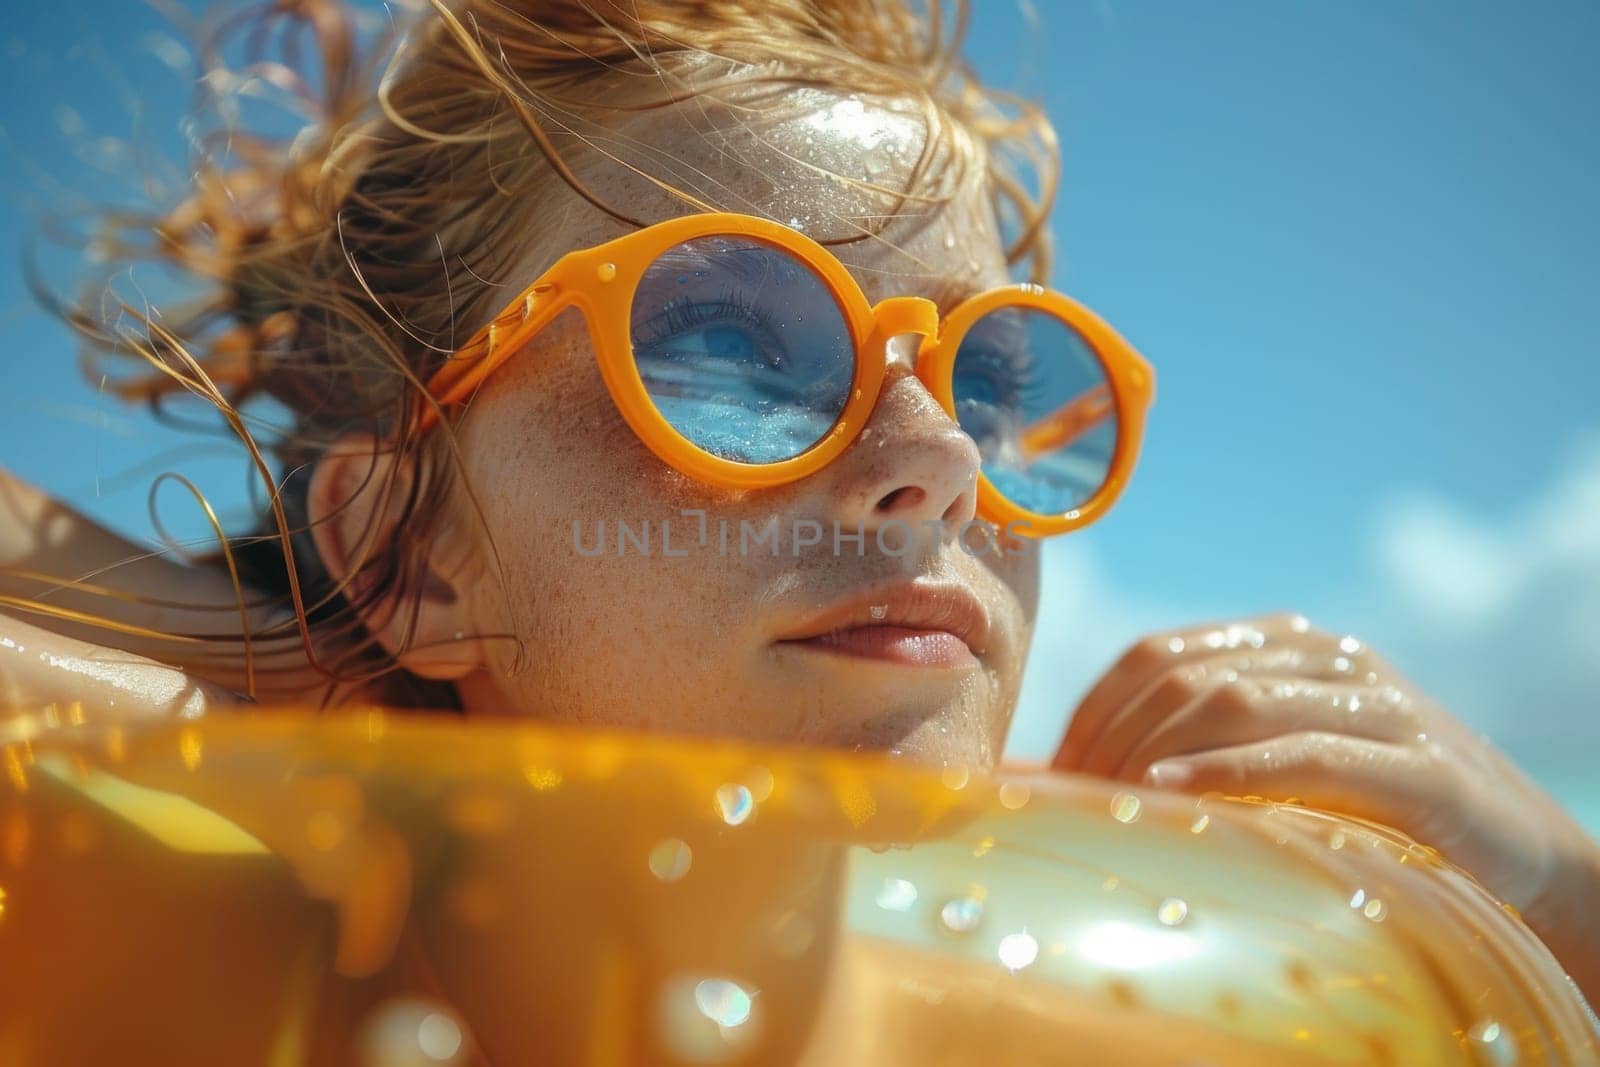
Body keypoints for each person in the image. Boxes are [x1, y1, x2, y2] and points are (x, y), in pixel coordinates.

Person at [0, 0, 1594, 1005]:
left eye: (993, 375)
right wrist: (259, 668)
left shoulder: (1144, 992)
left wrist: (1559, 888)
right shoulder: (146, 947)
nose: (942, 459)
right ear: (406, 545)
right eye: (728, 346)